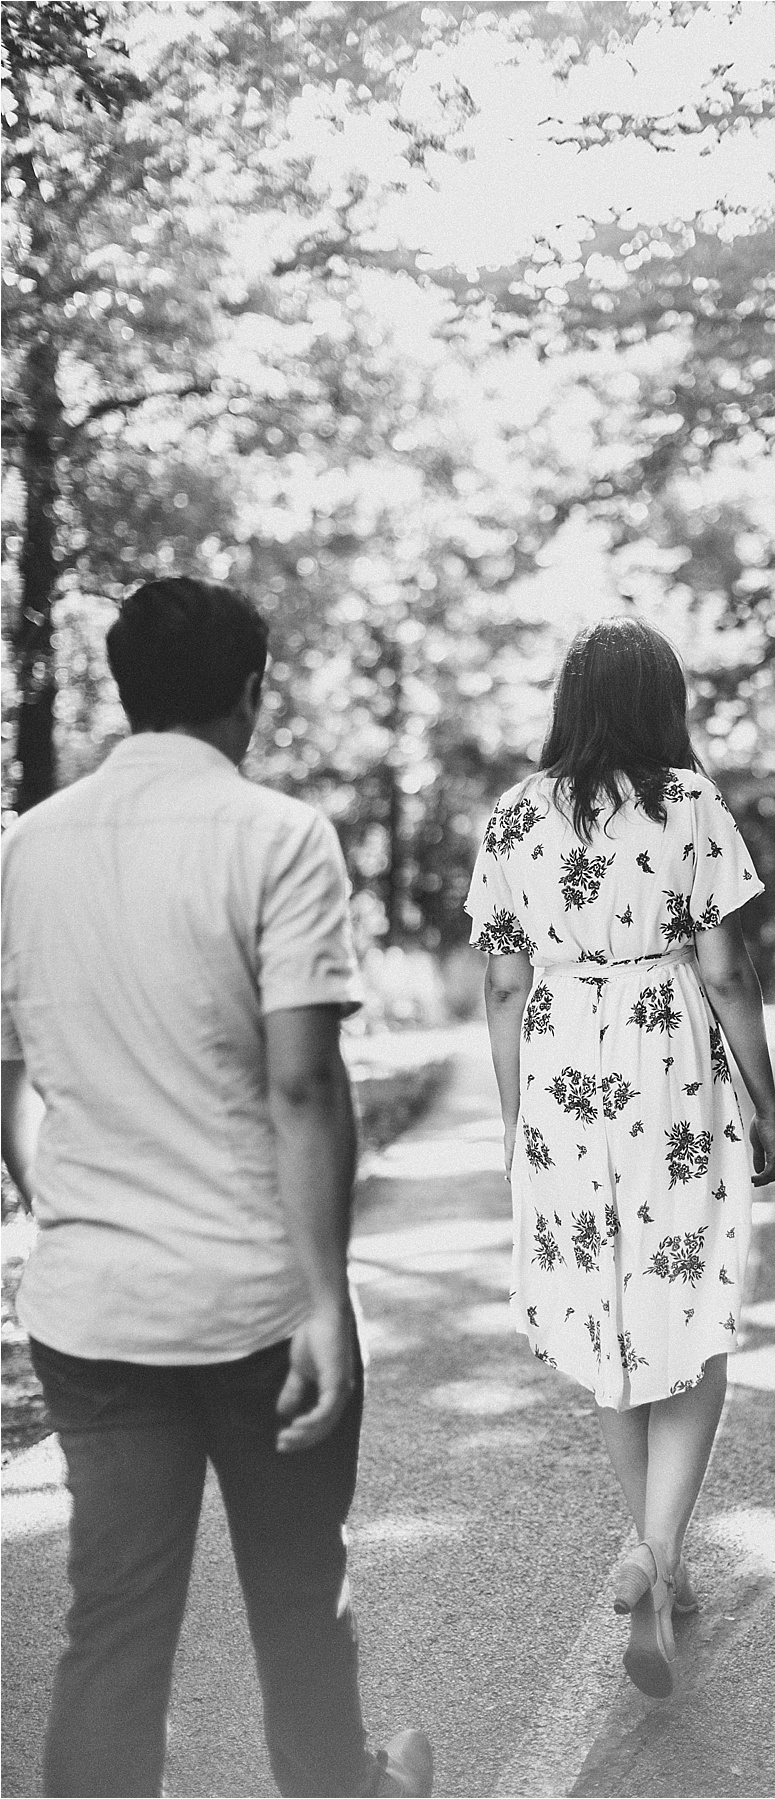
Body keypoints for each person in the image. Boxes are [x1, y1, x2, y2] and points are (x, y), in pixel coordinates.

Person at [0, 577, 432, 1799]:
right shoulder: (280, 835)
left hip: (94, 1307)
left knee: (113, 1626)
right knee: (298, 1596)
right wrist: (326, 1301)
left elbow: (6, 1075)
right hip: (252, 1303)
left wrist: (65, 1206)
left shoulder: (22, 848)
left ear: (125, 691)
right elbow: (303, 1087)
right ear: (251, 693)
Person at [466, 616, 775, 1698]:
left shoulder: (513, 816)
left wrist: (519, 1125)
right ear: (662, 700)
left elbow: (504, 987)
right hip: (666, 1057)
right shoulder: (686, 802)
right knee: (688, 1301)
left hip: (563, 1066)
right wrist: (764, 1097)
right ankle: (655, 1553)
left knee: (608, 1306)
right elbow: (727, 968)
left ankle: (656, 1553)